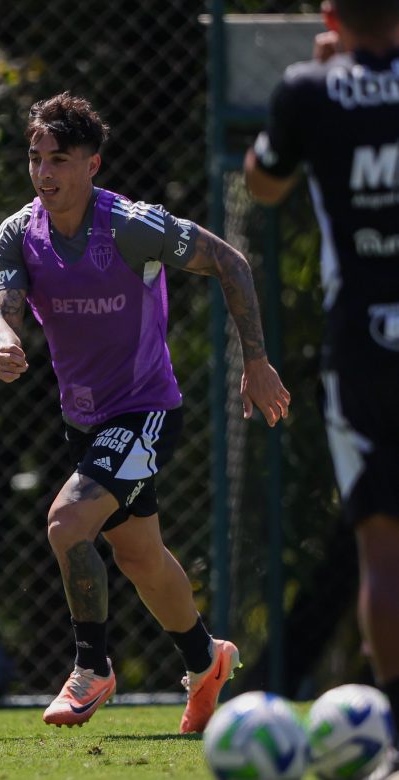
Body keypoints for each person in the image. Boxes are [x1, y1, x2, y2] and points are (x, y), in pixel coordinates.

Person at [0, 93, 291, 731]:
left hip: (146, 411)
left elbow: (229, 263)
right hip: (84, 422)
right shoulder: (20, 233)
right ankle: (205, 659)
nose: (44, 174)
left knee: (68, 523)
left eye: (60, 160)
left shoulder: (130, 226)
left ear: (93, 164)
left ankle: (91, 669)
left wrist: (256, 361)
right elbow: (5, 306)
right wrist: (2, 338)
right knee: (139, 558)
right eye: (36, 159)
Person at [245, 0, 399, 764]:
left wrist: (329, 70)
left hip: (366, 341)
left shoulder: (310, 87)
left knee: (381, 546)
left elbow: (265, 186)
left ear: (333, 16)